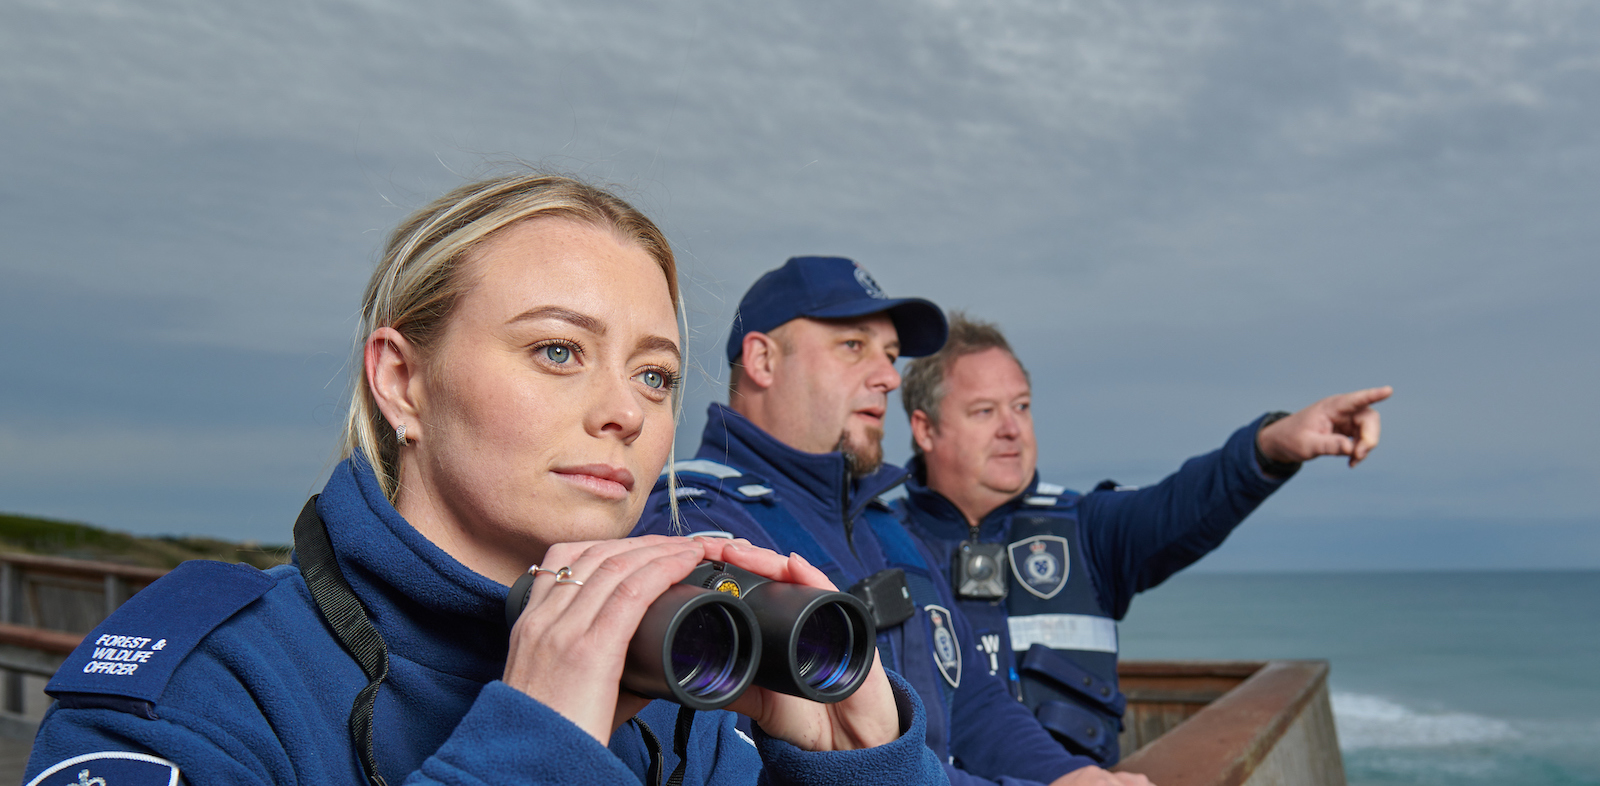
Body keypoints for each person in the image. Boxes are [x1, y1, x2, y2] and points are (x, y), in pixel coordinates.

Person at [24, 175, 948, 786]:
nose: (624, 411)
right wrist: (535, 747)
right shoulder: (209, 691)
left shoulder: (692, 685)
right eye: (557, 351)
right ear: (401, 380)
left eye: (655, 374)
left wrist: (861, 770)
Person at [634, 257, 1149, 786]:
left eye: (890, 356)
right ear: (763, 360)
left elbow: (972, 699)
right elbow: (737, 761)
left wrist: (1071, 776)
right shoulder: (694, 522)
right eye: (853, 346)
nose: (888, 379)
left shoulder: (886, 527)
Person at [895, 313, 1390, 765]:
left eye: (1021, 406)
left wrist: (1270, 446)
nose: (1012, 429)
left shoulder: (1088, 528)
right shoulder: (880, 541)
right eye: (984, 412)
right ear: (925, 429)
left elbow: (1184, 502)